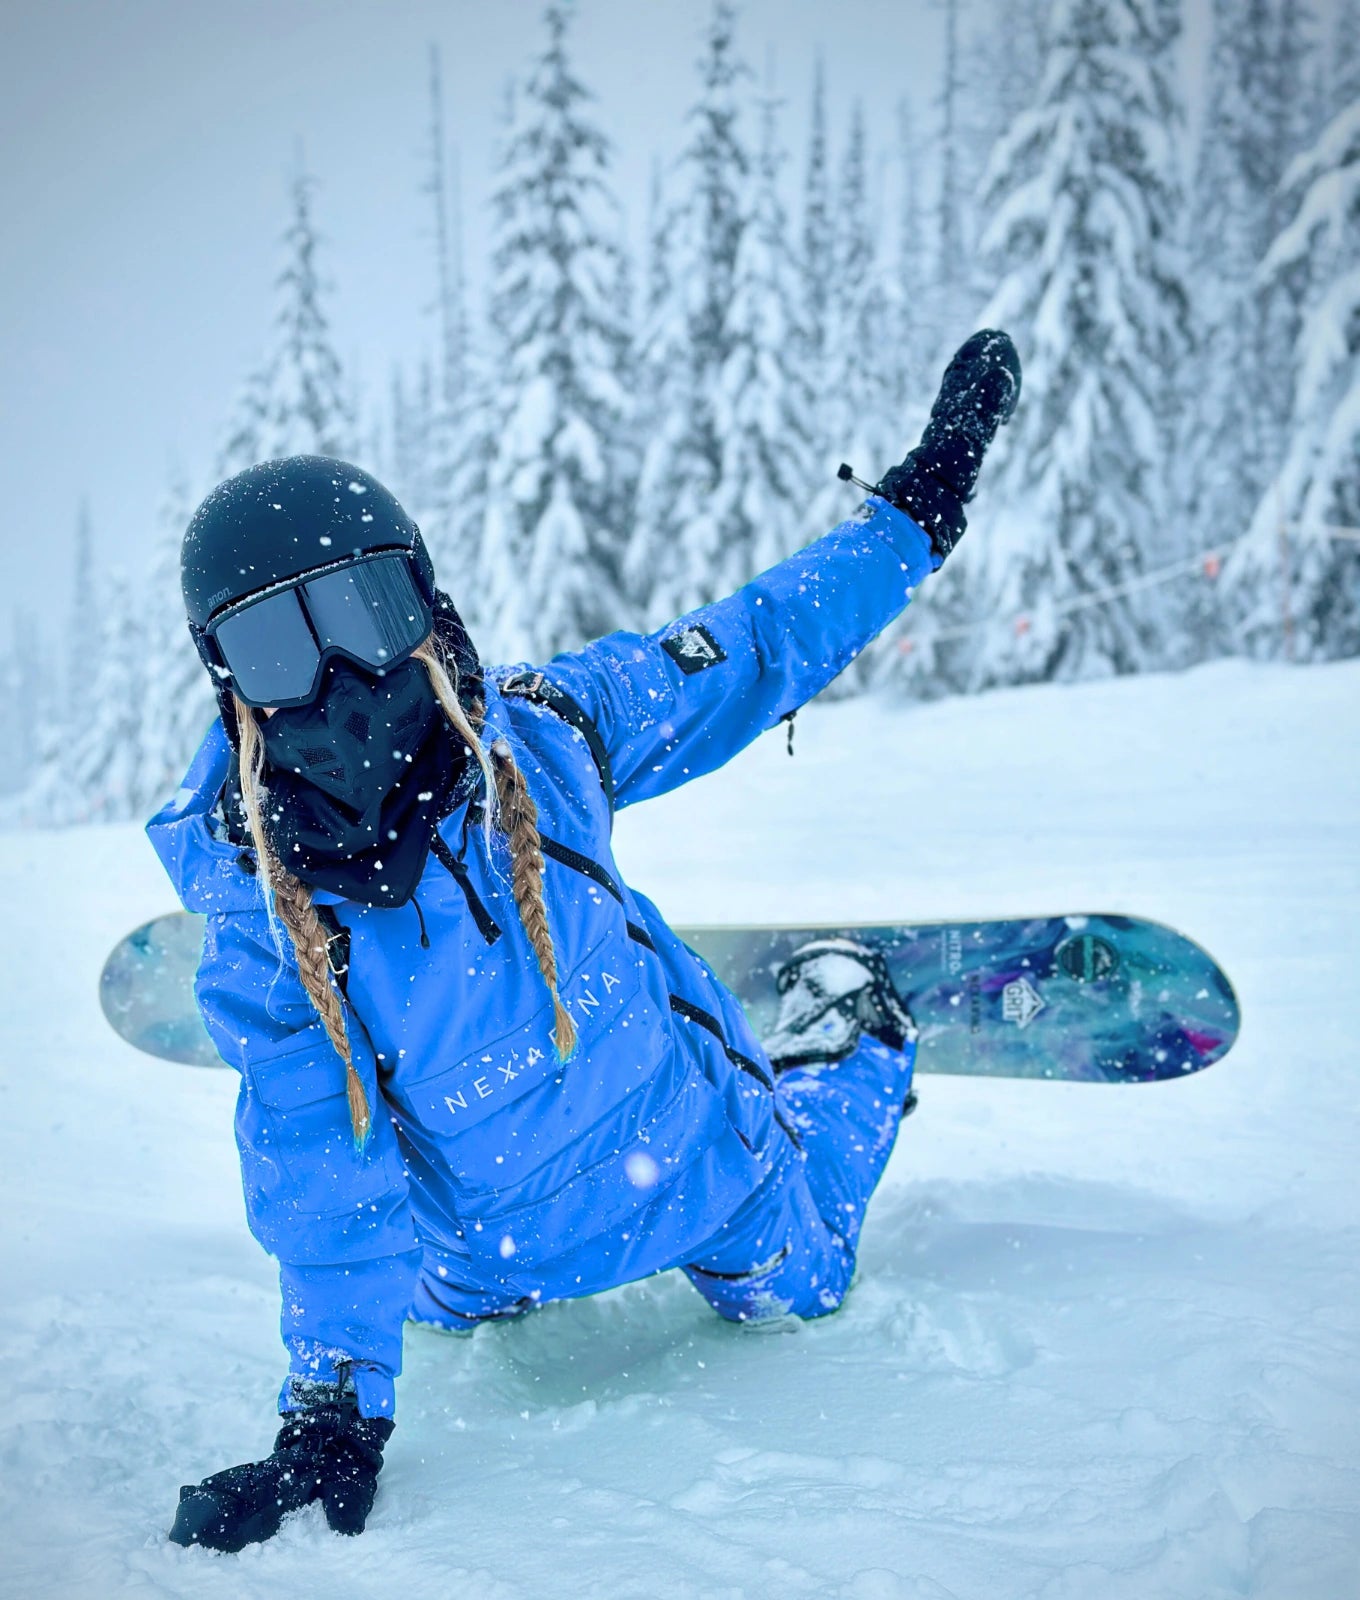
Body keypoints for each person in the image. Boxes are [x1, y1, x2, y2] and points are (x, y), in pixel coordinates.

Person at [149, 330, 1020, 1551]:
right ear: (230, 685)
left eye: (361, 608)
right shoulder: (266, 924)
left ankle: (848, 1031)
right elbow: (320, 1168)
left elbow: (755, 639)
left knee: (803, 1286)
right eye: (279, 646)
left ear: (423, 601)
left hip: (701, 1171)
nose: (341, 675)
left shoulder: (547, 741)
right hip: (478, 1261)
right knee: (436, 1303)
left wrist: (912, 515)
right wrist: (330, 1408)